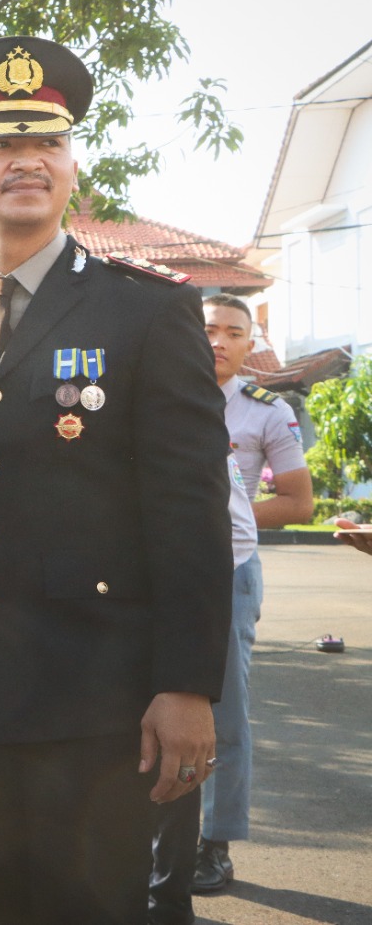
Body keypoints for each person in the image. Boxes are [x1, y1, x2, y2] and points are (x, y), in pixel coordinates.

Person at [0, 35, 234, 925]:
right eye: (0, 143)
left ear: (74, 168)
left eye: (49, 141)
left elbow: (189, 509)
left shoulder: (147, 308)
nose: (27, 160)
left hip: (101, 695)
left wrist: (188, 685)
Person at [149, 292, 314, 913]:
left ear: (250, 344)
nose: (218, 341)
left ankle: (213, 843)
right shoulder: (154, 391)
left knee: (222, 710)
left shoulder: (265, 411)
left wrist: (210, 522)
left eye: (233, 333)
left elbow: (298, 502)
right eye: (209, 328)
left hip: (231, 569)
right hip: (153, 569)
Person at [149, 450, 260, 924]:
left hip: (216, 572)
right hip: (138, 575)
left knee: (207, 722)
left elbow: (228, 529)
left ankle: (210, 849)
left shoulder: (189, 420)